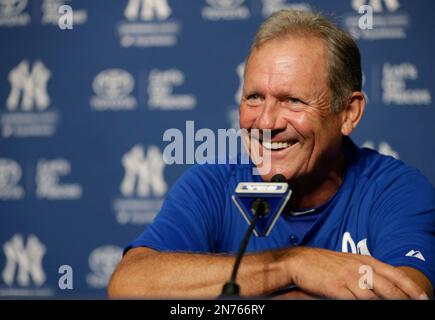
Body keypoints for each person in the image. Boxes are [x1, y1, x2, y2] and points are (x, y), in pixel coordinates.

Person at [108, 10, 434, 299]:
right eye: (253, 97)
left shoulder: (395, 190)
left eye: (292, 100)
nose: (264, 122)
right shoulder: (215, 181)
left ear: (348, 113)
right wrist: (290, 264)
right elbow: (130, 284)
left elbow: (405, 292)